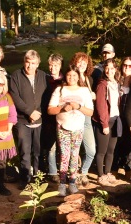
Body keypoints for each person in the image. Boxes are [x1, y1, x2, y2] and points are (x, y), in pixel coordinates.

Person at [47, 68, 94, 196]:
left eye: (74, 75)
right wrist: (62, 108)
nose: (72, 77)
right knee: (64, 155)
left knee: (74, 155)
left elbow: (90, 112)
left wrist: (78, 107)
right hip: (63, 127)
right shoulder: (59, 89)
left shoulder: (84, 91)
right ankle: (62, 183)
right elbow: (50, 110)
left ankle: (72, 182)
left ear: (79, 77)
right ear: (65, 76)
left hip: (78, 128)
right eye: (69, 75)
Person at [9, 49, 48, 189]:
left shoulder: (43, 76)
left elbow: (47, 97)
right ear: (24, 62)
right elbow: (15, 97)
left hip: (39, 120)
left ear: (38, 64)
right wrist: (29, 112)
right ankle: (25, 178)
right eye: (27, 62)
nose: (30, 66)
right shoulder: (16, 76)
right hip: (22, 121)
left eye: (33, 63)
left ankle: (38, 177)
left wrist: (38, 113)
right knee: (25, 151)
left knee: (38, 151)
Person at [92, 59, 121, 186]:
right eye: (107, 68)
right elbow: (100, 105)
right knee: (102, 151)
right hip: (105, 121)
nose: (109, 71)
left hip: (115, 119)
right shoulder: (102, 84)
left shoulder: (116, 83)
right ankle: (100, 175)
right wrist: (104, 124)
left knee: (111, 150)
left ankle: (108, 172)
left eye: (112, 68)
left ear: (115, 69)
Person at [70, 52, 97, 186]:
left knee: (91, 150)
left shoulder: (89, 79)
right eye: (79, 62)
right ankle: (73, 176)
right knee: (74, 151)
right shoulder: (71, 77)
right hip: (74, 118)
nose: (82, 65)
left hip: (86, 118)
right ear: (75, 62)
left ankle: (83, 172)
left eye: (85, 63)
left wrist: (93, 95)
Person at [112, 57, 131, 178]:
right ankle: (114, 167)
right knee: (116, 142)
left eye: (130, 66)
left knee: (129, 144)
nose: (127, 68)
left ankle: (128, 168)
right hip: (116, 116)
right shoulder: (116, 80)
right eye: (125, 65)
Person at [43, 54, 64, 182]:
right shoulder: (44, 78)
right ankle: (52, 172)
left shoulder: (65, 80)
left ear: (60, 66)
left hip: (62, 116)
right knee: (51, 146)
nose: (52, 68)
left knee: (63, 146)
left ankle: (63, 170)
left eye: (55, 65)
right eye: (50, 65)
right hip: (48, 117)